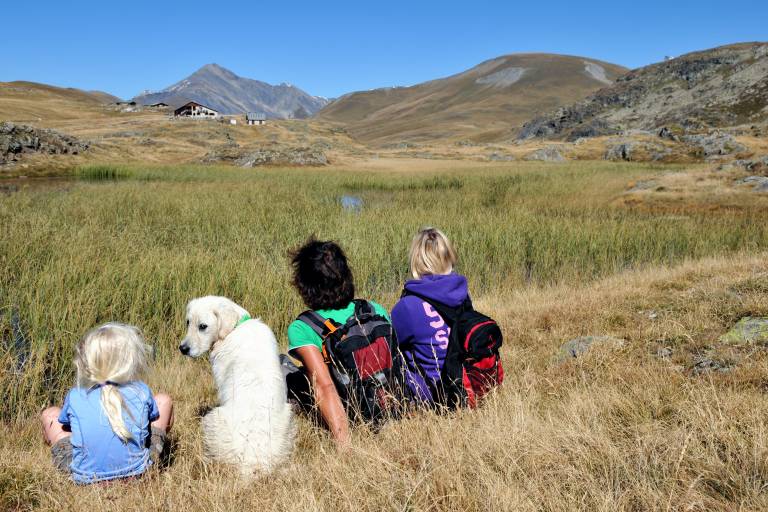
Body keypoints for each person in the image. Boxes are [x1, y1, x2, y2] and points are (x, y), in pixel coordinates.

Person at [284, 238, 392, 448]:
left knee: (283, 369)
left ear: (304, 285)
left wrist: (344, 444)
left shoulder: (303, 327)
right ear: (346, 276)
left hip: (349, 409)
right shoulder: (373, 309)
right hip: (384, 403)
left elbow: (324, 386)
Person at [40, 323, 173, 484]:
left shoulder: (75, 395)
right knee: (164, 401)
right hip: (138, 473)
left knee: (50, 414)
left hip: (84, 477)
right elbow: (152, 419)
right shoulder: (141, 390)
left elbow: (66, 426)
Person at [391, 227, 468, 406]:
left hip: (432, 396)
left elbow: (389, 344)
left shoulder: (408, 305)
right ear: (448, 257)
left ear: (417, 259)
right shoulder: (462, 296)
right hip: (466, 384)